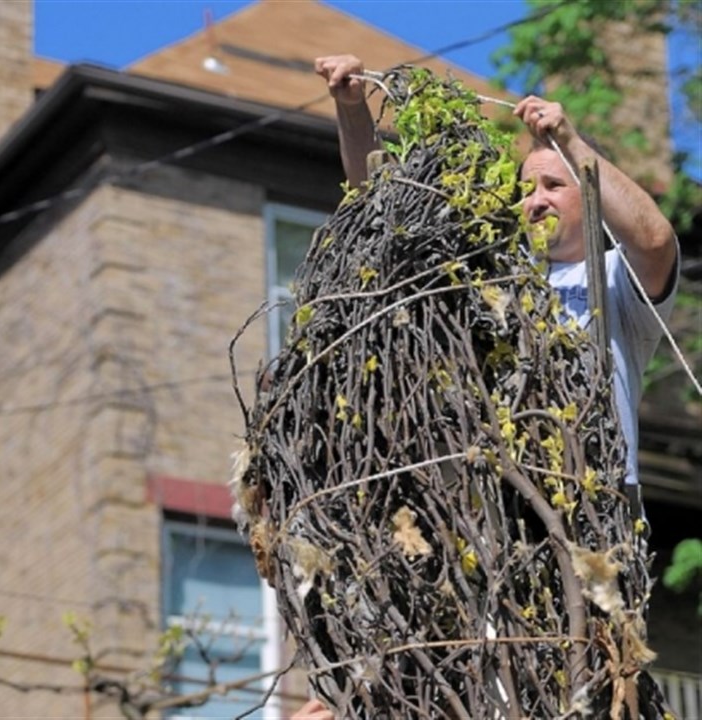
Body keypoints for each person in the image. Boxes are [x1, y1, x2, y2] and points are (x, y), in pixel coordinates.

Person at [286, 54, 679, 718]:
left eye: (554, 185)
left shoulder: (614, 285)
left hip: (586, 523)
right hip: (481, 520)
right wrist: (353, 110)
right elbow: (383, 224)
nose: (535, 200)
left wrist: (572, 142)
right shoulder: (490, 287)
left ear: (591, 194)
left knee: (577, 685)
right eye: (527, 189)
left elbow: (655, 238)